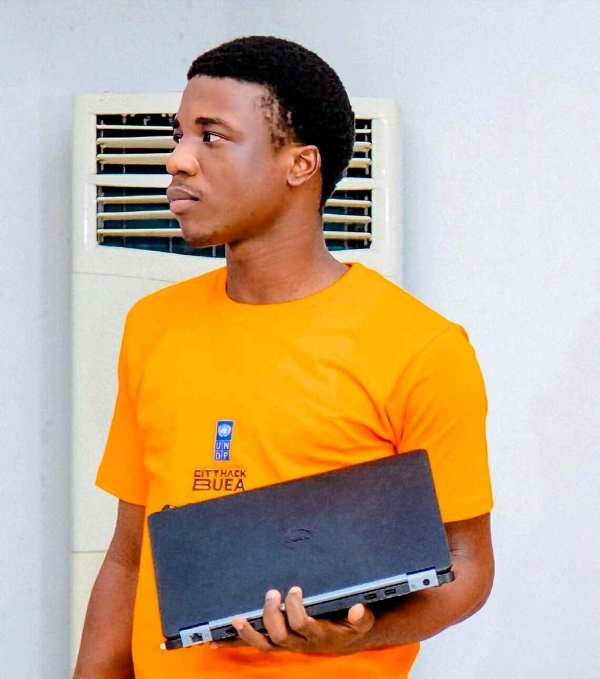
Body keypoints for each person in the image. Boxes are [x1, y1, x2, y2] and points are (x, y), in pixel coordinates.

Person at [74, 35, 494, 679]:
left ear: (300, 164)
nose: (178, 159)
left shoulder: (421, 349)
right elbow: (130, 556)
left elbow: (467, 565)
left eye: (212, 136)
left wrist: (354, 638)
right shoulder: (153, 325)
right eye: (180, 135)